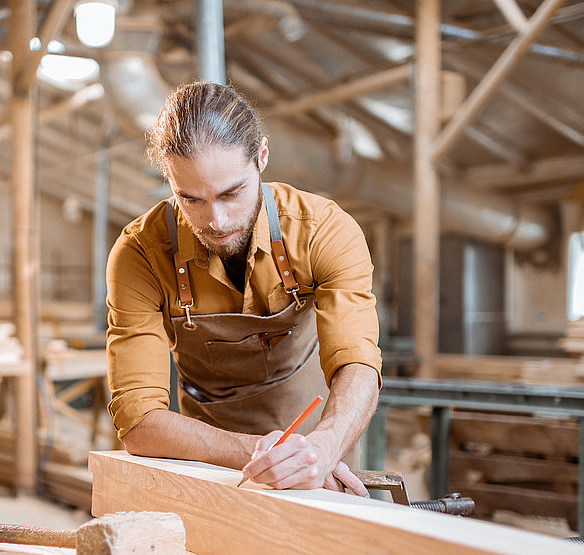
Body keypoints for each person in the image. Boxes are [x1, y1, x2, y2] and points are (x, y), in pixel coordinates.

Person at [104, 81, 381, 495]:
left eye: (231, 193)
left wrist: (322, 449)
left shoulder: (324, 230)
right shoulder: (139, 253)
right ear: (169, 177)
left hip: (317, 455)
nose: (215, 220)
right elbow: (139, 420)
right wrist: (260, 452)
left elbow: (358, 363)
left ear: (262, 157)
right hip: (204, 460)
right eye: (191, 199)